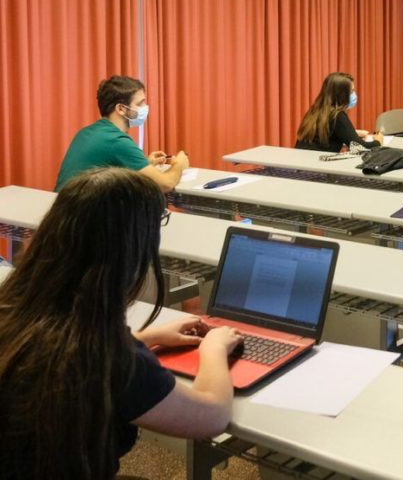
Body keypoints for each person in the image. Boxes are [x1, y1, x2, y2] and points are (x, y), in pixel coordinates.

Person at [0, 168, 242, 478]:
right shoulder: (109, 357)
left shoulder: (15, 309)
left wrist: (145, 337)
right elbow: (211, 416)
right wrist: (214, 348)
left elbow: (60, 349)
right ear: (129, 250)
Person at [55, 75, 189, 192]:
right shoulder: (116, 141)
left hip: (63, 208)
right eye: (140, 103)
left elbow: (107, 172)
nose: (145, 108)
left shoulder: (86, 132)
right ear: (121, 109)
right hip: (83, 212)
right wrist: (179, 164)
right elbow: (165, 184)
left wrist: (145, 163)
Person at [295, 72, 384, 152]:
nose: (354, 94)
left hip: (301, 161)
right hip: (319, 163)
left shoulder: (315, 111)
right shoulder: (337, 115)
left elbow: (327, 134)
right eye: (351, 91)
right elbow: (360, 147)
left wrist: (352, 133)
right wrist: (378, 141)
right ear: (341, 94)